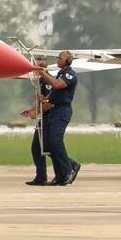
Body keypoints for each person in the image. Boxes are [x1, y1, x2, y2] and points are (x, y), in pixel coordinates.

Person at [22, 51, 80, 186]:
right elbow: (54, 94)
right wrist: (43, 100)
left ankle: (69, 169)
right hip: (55, 111)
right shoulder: (59, 74)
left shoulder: (68, 74)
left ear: (68, 60)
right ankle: (60, 175)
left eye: (60, 58)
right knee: (46, 144)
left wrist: (43, 73)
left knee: (54, 141)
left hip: (61, 111)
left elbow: (58, 86)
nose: (58, 59)